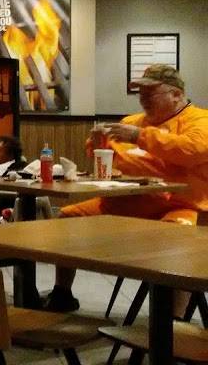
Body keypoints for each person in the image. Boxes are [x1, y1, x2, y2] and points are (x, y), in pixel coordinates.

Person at [45, 64, 208, 312]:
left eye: (150, 93)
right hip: (124, 203)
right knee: (68, 217)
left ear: (176, 94)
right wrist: (97, 143)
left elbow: (191, 150)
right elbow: (110, 156)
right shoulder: (131, 123)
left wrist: (139, 137)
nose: (143, 99)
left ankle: (172, 322)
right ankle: (62, 293)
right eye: (140, 93)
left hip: (180, 205)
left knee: (176, 237)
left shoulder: (199, 120)